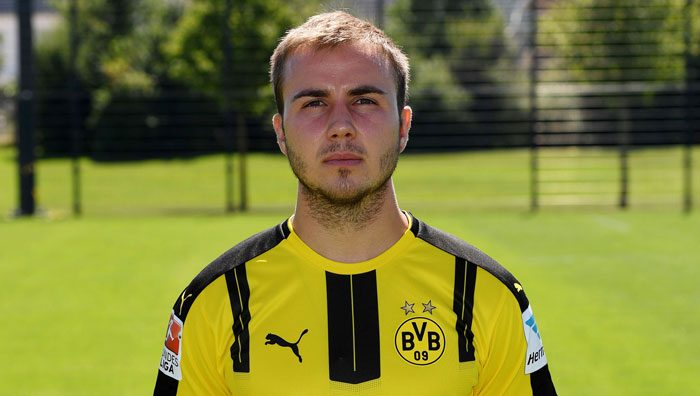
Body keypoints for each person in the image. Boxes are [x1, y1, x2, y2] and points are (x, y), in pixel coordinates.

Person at [154, 11, 556, 396]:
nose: (341, 125)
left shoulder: (485, 295)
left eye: (364, 100)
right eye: (313, 103)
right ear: (281, 132)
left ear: (403, 126)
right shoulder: (216, 301)